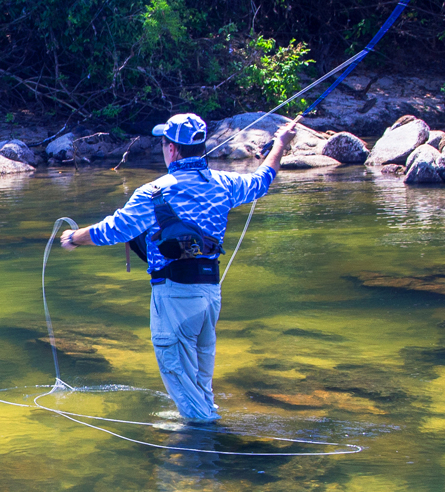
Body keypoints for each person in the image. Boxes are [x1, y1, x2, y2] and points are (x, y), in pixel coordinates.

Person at [58, 113, 299, 426]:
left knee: (179, 376)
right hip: (210, 294)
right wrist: (280, 144)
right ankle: (201, 425)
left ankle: (203, 451)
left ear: (171, 149)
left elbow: (114, 230)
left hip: (174, 296)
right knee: (199, 382)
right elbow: (263, 180)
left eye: (163, 143)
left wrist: (73, 238)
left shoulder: (153, 192)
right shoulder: (225, 183)